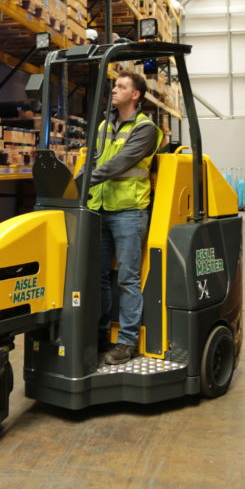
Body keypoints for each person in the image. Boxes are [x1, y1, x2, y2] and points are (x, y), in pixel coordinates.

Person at [86, 71, 162, 365]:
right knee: (99, 276)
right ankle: (100, 334)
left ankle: (127, 342)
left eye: (121, 86)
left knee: (128, 279)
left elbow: (121, 162)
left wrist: (86, 180)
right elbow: (95, 159)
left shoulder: (146, 129)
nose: (114, 90)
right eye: (114, 85)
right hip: (101, 207)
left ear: (135, 95)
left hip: (129, 212)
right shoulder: (105, 125)